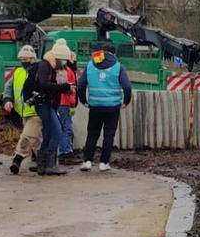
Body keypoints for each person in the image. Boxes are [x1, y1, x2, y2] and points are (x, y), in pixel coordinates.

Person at [78, 44, 133, 172]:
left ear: (101, 52)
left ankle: (87, 161)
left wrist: (83, 101)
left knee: (92, 134)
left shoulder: (90, 65)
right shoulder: (118, 67)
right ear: (114, 54)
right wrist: (126, 101)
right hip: (112, 108)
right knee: (109, 135)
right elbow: (127, 87)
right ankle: (104, 163)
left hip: (95, 106)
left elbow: (81, 85)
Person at [29, 40, 74, 175]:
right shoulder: (46, 66)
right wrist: (64, 87)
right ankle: (50, 164)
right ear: (58, 58)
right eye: (64, 60)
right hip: (44, 103)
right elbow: (44, 84)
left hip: (48, 104)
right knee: (57, 132)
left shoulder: (51, 67)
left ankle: (42, 165)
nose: (65, 63)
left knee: (49, 133)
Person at [4, 45, 41, 174]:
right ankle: (41, 161)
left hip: (36, 111)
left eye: (26, 59)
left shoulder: (39, 71)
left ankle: (17, 159)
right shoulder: (18, 72)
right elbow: (9, 88)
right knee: (35, 138)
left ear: (32, 59)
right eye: (21, 59)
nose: (23, 61)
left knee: (27, 136)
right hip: (23, 112)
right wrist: (7, 100)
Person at [56, 49, 79, 164]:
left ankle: (61, 151)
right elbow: (71, 89)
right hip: (65, 103)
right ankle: (66, 151)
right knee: (67, 128)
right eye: (73, 59)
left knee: (60, 127)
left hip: (57, 102)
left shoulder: (57, 70)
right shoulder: (69, 71)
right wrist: (72, 104)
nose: (74, 61)